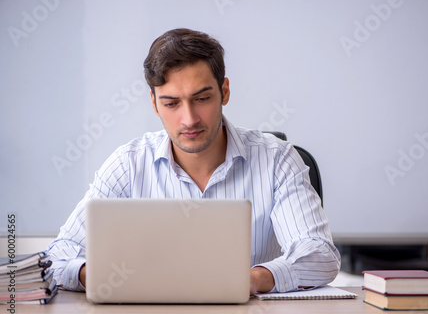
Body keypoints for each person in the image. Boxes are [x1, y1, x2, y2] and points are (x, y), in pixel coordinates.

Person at [48, 28, 341, 295]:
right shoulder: (128, 165)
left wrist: (250, 280)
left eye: (202, 98)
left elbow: (320, 256)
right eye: (171, 103)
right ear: (154, 103)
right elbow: (58, 255)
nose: (189, 119)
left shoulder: (277, 159)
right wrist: (101, 276)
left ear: (224, 91)